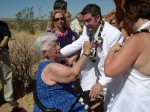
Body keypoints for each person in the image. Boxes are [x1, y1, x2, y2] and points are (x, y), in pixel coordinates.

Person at [60, 4, 123, 111]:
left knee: (112, 106)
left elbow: (117, 64)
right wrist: (58, 54)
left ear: (98, 18)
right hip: (91, 75)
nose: (86, 24)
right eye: (84, 21)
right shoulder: (87, 28)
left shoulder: (114, 34)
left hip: (111, 78)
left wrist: (101, 83)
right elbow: (78, 43)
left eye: (88, 20)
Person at [104, 0, 150, 112]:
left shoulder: (137, 39)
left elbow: (110, 71)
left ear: (131, 16)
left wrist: (111, 51)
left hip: (135, 100)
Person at [33, 32, 92, 112]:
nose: (59, 47)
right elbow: (73, 74)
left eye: (57, 44)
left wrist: (79, 52)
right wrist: (85, 53)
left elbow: (69, 61)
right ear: (44, 53)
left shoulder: (45, 64)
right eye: (54, 46)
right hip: (58, 108)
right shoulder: (50, 68)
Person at [0, 21, 18, 107]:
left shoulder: (3, 24)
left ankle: (9, 98)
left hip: (2, 52)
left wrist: (0, 48)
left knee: (6, 75)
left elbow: (6, 37)